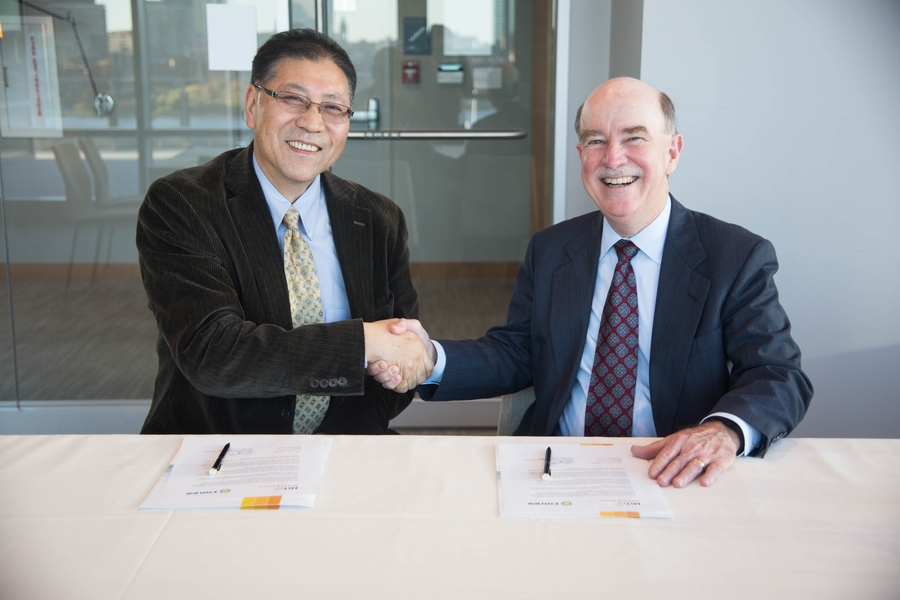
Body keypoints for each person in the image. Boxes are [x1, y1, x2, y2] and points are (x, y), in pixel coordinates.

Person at [371, 77, 813, 487]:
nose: (613, 158)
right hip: (556, 467)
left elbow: (778, 374)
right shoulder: (551, 249)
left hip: (672, 472)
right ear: (581, 153)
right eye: (596, 140)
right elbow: (517, 352)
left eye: (634, 138)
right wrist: (430, 359)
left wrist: (723, 431)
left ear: (672, 152)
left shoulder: (734, 256)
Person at [137, 29, 431, 435]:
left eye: (333, 108)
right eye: (293, 99)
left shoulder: (379, 218)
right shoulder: (184, 203)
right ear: (252, 105)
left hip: (345, 447)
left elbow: (398, 360)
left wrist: (399, 365)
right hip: (220, 450)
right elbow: (214, 354)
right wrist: (362, 343)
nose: (312, 122)